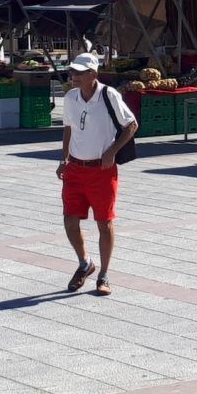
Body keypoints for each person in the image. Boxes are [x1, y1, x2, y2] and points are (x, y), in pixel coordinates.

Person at [57, 53, 137, 296]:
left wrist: (112, 151)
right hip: (75, 169)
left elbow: (131, 124)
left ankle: (103, 275)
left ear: (93, 75)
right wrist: (64, 158)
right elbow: (68, 128)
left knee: (104, 223)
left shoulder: (108, 95)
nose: (74, 77)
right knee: (70, 220)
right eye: (72, 72)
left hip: (101, 172)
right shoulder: (71, 97)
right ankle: (85, 263)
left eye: (79, 73)